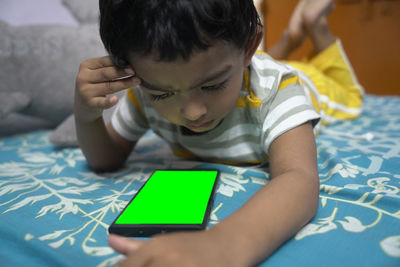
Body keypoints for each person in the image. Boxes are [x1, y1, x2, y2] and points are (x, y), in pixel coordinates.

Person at [74, 0, 363, 266]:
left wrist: (222, 245)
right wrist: (87, 115)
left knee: (348, 89)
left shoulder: (278, 89)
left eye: (212, 86)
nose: (192, 112)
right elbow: (105, 159)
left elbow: (299, 177)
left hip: (315, 85)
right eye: (163, 94)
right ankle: (288, 40)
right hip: (246, 65)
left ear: (249, 47)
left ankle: (316, 28)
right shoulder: (143, 93)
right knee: (240, 70)